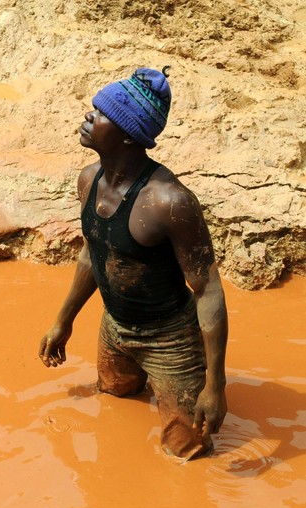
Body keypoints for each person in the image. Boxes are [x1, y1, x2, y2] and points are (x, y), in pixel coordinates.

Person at [38, 67, 228, 460]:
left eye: (101, 112)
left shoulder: (169, 202)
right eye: (93, 108)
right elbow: (93, 252)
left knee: (187, 449)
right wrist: (63, 319)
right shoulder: (89, 179)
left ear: (128, 133)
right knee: (115, 401)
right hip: (115, 328)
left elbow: (208, 289)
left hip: (170, 340)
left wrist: (216, 385)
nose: (88, 116)